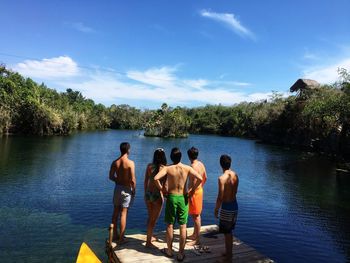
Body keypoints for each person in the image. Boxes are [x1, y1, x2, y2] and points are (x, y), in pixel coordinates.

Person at [154, 147, 202, 262]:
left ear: (171, 157)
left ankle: (169, 251)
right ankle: (180, 253)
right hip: (183, 198)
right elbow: (200, 178)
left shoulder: (168, 168)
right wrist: (191, 190)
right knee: (183, 225)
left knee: (170, 225)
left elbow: (156, 178)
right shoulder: (187, 168)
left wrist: (162, 190)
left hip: (171, 197)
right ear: (181, 157)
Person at [109, 142, 136, 245]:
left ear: (120, 150)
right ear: (128, 150)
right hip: (126, 189)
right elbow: (133, 179)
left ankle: (115, 235)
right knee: (124, 213)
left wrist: (117, 180)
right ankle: (121, 238)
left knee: (115, 211)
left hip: (117, 188)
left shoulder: (115, 162)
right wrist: (134, 190)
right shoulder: (130, 163)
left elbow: (111, 176)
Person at [214, 154, 239, 262]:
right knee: (229, 232)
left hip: (227, 207)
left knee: (227, 232)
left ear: (221, 164)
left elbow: (220, 197)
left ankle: (228, 258)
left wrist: (216, 209)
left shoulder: (221, 178)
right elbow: (235, 191)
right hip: (235, 205)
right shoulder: (235, 175)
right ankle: (229, 253)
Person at [144, 148, 167, 248]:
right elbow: (165, 185)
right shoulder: (164, 168)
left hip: (149, 194)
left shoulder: (149, 166)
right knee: (154, 219)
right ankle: (148, 242)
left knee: (150, 218)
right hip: (157, 195)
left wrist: (145, 193)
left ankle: (150, 236)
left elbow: (146, 181)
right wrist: (164, 193)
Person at [187, 147, 207, 246]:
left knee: (196, 216)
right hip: (199, 191)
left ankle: (197, 240)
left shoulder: (192, 166)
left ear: (189, 156)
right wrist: (200, 187)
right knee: (195, 214)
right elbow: (205, 177)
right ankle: (195, 234)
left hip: (194, 193)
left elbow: (194, 181)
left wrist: (191, 193)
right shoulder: (201, 164)